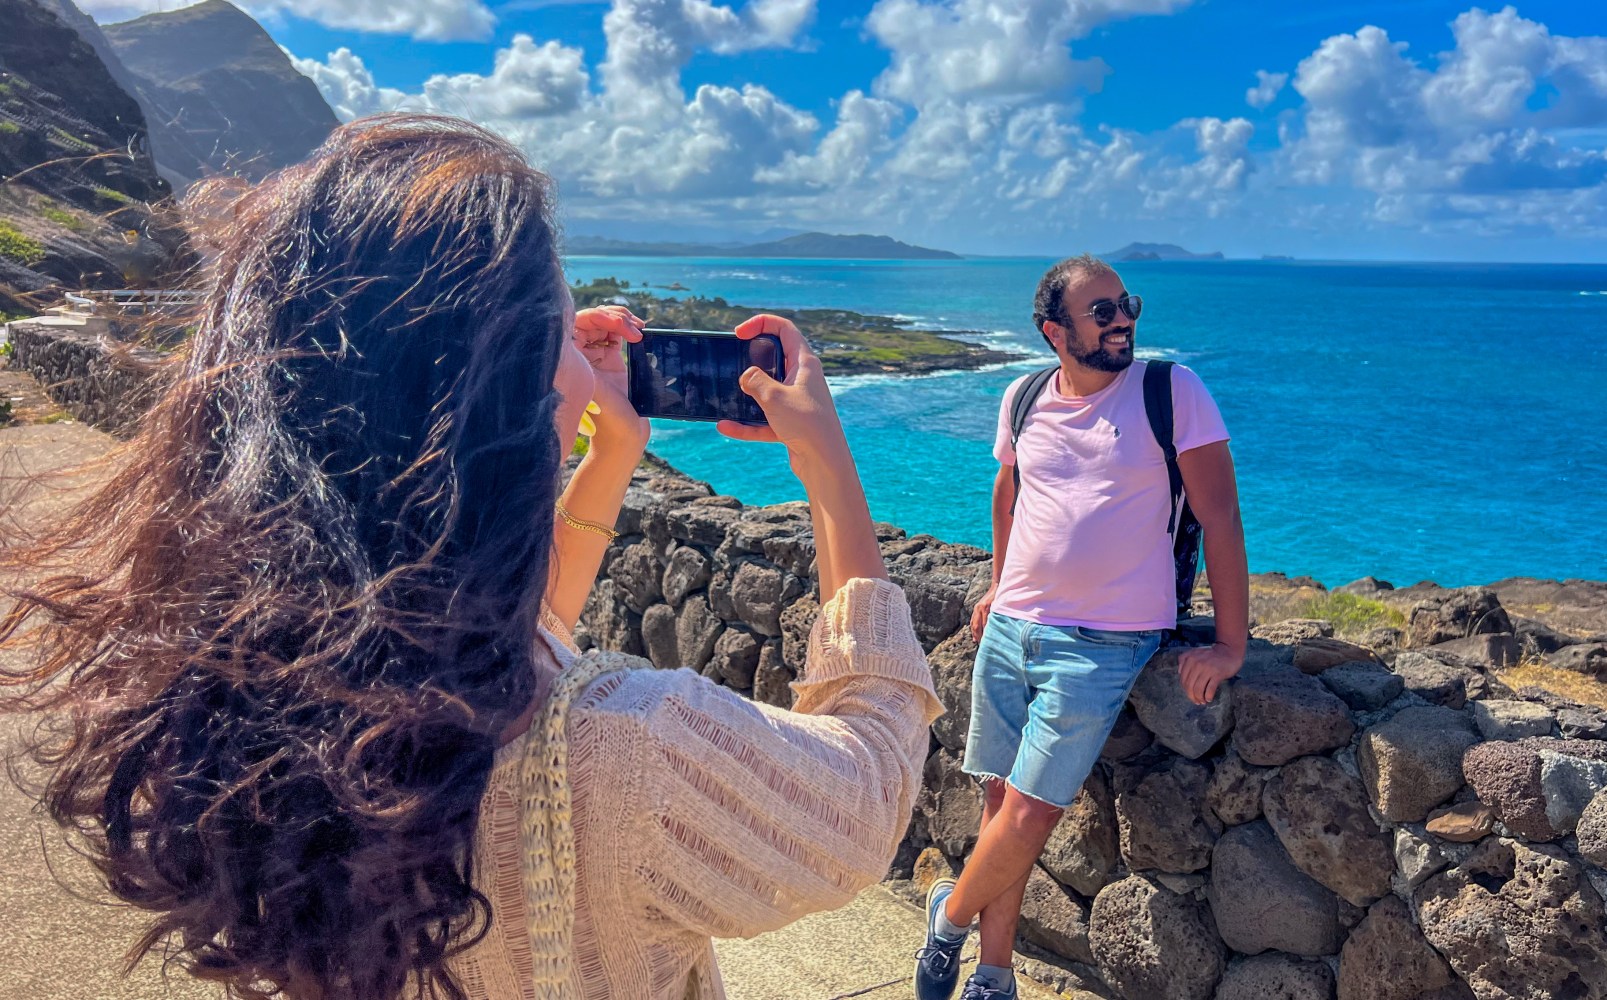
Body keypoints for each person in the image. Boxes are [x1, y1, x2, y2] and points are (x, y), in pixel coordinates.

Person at [0, 114, 941, 1000]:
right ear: (509, 392)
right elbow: (866, 783)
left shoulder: (242, 678)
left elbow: (521, 634)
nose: (580, 353)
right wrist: (827, 463)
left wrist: (611, 447)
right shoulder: (621, 748)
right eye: (557, 332)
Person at [913, 254, 1248, 1000]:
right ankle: (992, 978)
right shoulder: (1024, 393)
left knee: (1031, 811)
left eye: (1126, 303)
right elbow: (1008, 489)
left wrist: (1230, 644)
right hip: (1011, 626)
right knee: (1000, 805)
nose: (1123, 317)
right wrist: (998, 583)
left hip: (1107, 639)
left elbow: (1220, 516)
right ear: (1052, 331)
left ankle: (948, 917)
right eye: (1101, 310)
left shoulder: (1172, 392)